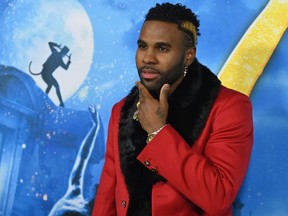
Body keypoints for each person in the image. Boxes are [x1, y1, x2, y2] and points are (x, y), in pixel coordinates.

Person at [92, 2, 253, 216]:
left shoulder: (228, 107)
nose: (147, 58)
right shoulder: (122, 110)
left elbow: (218, 197)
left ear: (188, 55)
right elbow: (108, 194)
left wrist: (158, 132)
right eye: (142, 46)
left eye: (162, 48)